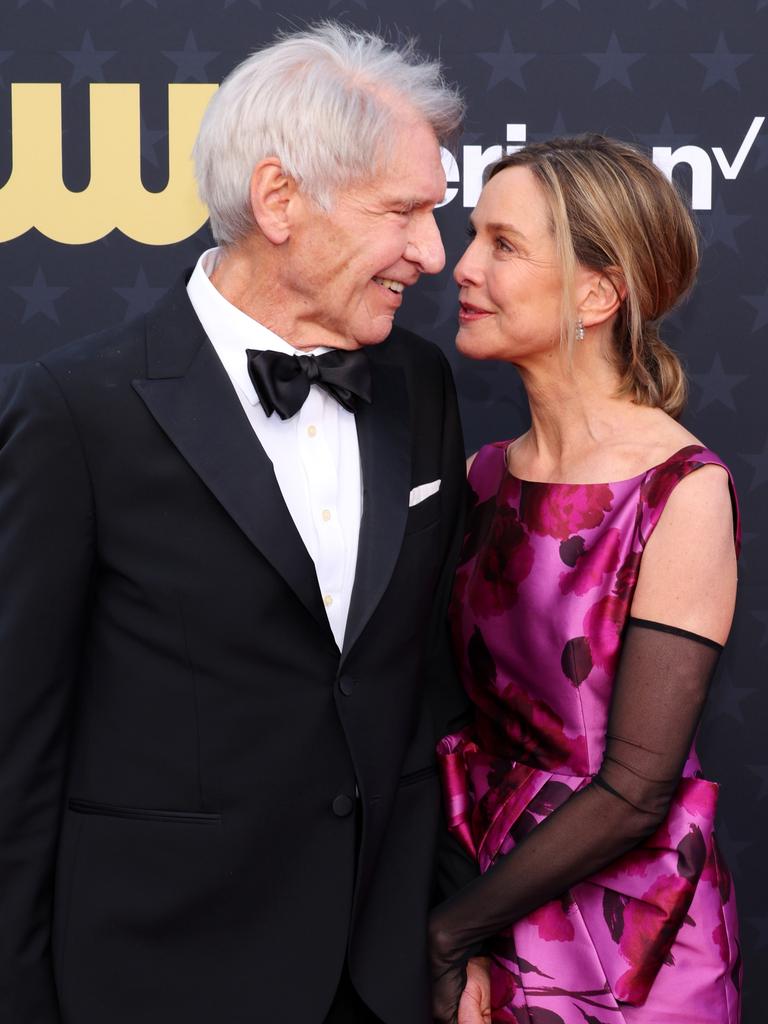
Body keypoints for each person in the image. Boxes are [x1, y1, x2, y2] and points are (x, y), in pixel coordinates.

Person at [0, 23, 470, 1024]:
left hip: (378, 977)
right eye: (404, 212)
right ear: (279, 200)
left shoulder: (421, 386)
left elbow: (421, 687)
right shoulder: (77, 408)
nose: (433, 252)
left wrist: (442, 929)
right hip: (158, 979)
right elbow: (17, 745)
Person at [429, 135, 742, 1024]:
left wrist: (451, 934)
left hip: (632, 944)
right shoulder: (484, 475)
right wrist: (467, 924)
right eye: (472, 234)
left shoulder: (681, 490)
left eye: (504, 245)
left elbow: (637, 789)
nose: (462, 266)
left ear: (598, 295)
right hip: (485, 891)